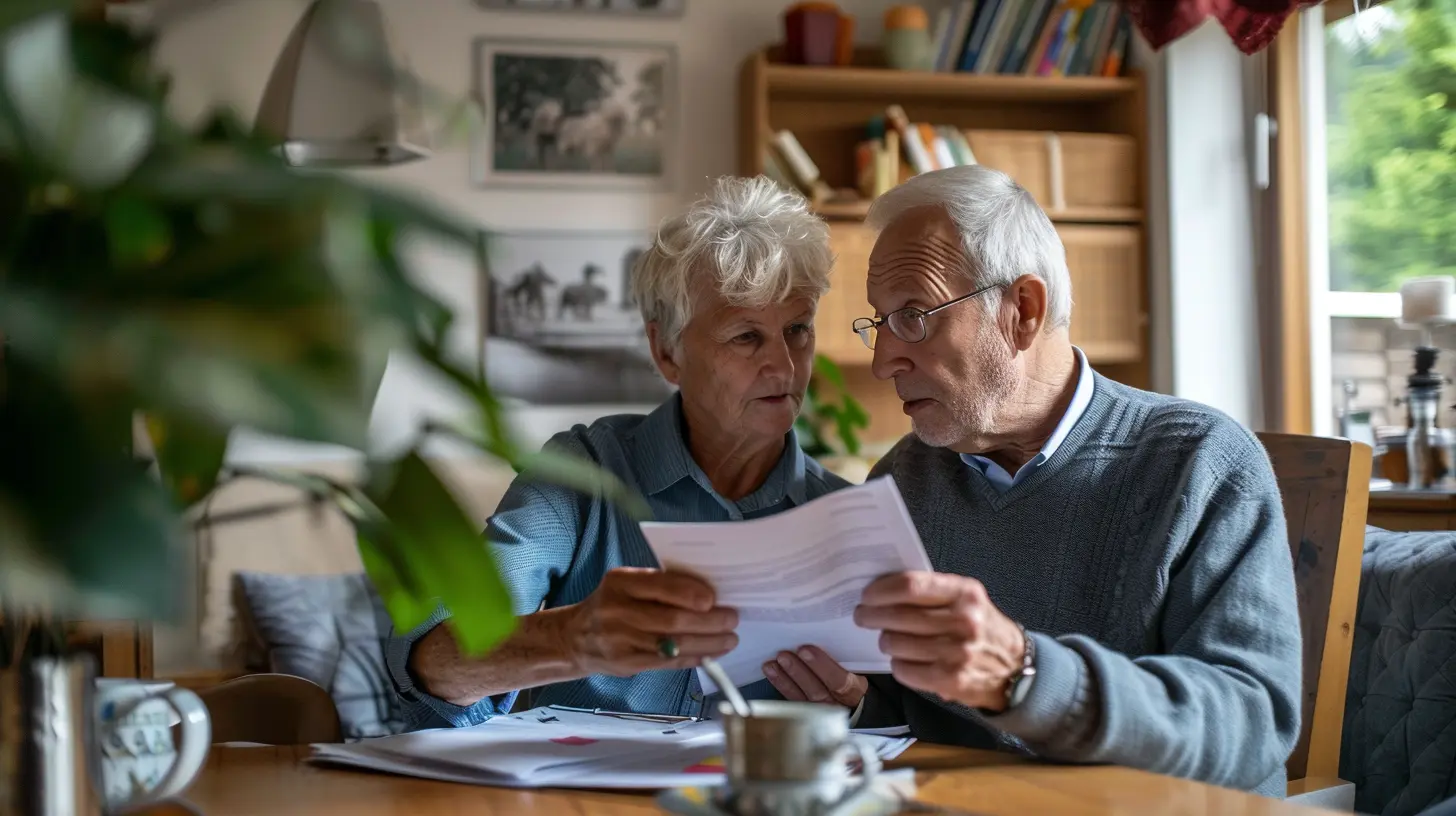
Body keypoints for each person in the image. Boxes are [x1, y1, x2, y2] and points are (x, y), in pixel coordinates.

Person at [761, 165, 1303, 797]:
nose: (885, 360)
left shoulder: (1199, 464)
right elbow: (922, 721)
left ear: (1022, 310)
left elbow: (1252, 722)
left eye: (913, 316)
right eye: (879, 323)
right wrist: (860, 703)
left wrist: (1024, 676)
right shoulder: (906, 479)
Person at [385, 175, 849, 728]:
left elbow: (902, 720)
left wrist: (854, 702)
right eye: (746, 336)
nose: (785, 366)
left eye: (797, 329)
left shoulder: (844, 517)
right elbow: (431, 662)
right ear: (666, 351)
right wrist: (571, 639)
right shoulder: (582, 474)